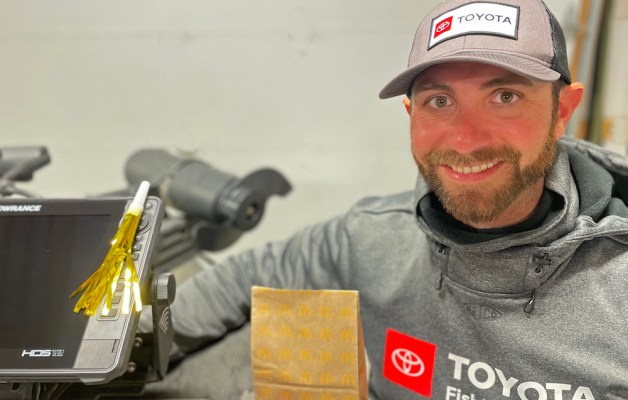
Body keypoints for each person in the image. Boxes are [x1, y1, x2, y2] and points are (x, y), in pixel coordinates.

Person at [145, 0, 628, 398]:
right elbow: (243, 279)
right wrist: (122, 355)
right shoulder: (373, 237)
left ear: (562, 110)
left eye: (504, 97)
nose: (465, 140)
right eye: (439, 101)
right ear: (410, 113)